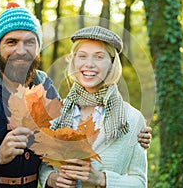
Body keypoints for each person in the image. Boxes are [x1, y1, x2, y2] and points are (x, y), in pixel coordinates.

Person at [0, 3, 151, 188]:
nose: (21, 50)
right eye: (11, 42)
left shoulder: (47, 91)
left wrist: (136, 133)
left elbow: (52, 150)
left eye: (30, 42)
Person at [39, 26, 148, 188]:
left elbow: (139, 182)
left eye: (99, 57)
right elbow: (43, 164)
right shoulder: (56, 113)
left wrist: (102, 179)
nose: (89, 64)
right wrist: (49, 177)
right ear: (74, 61)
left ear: (112, 64)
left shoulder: (131, 118)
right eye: (82, 56)